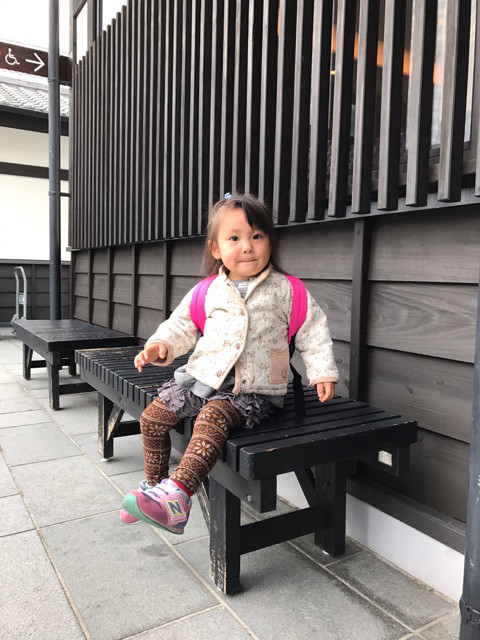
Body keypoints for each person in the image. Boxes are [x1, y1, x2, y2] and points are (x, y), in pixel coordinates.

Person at [121, 193, 339, 533]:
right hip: (202, 379)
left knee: (212, 417)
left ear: (270, 241)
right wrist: (160, 346)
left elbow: (313, 331)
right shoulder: (207, 290)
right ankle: (153, 492)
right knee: (152, 419)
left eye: (257, 236)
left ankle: (177, 499)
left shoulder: (287, 290)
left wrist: (322, 371)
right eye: (234, 238)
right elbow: (181, 325)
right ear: (216, 249)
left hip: (253, 390)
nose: (247, 247)